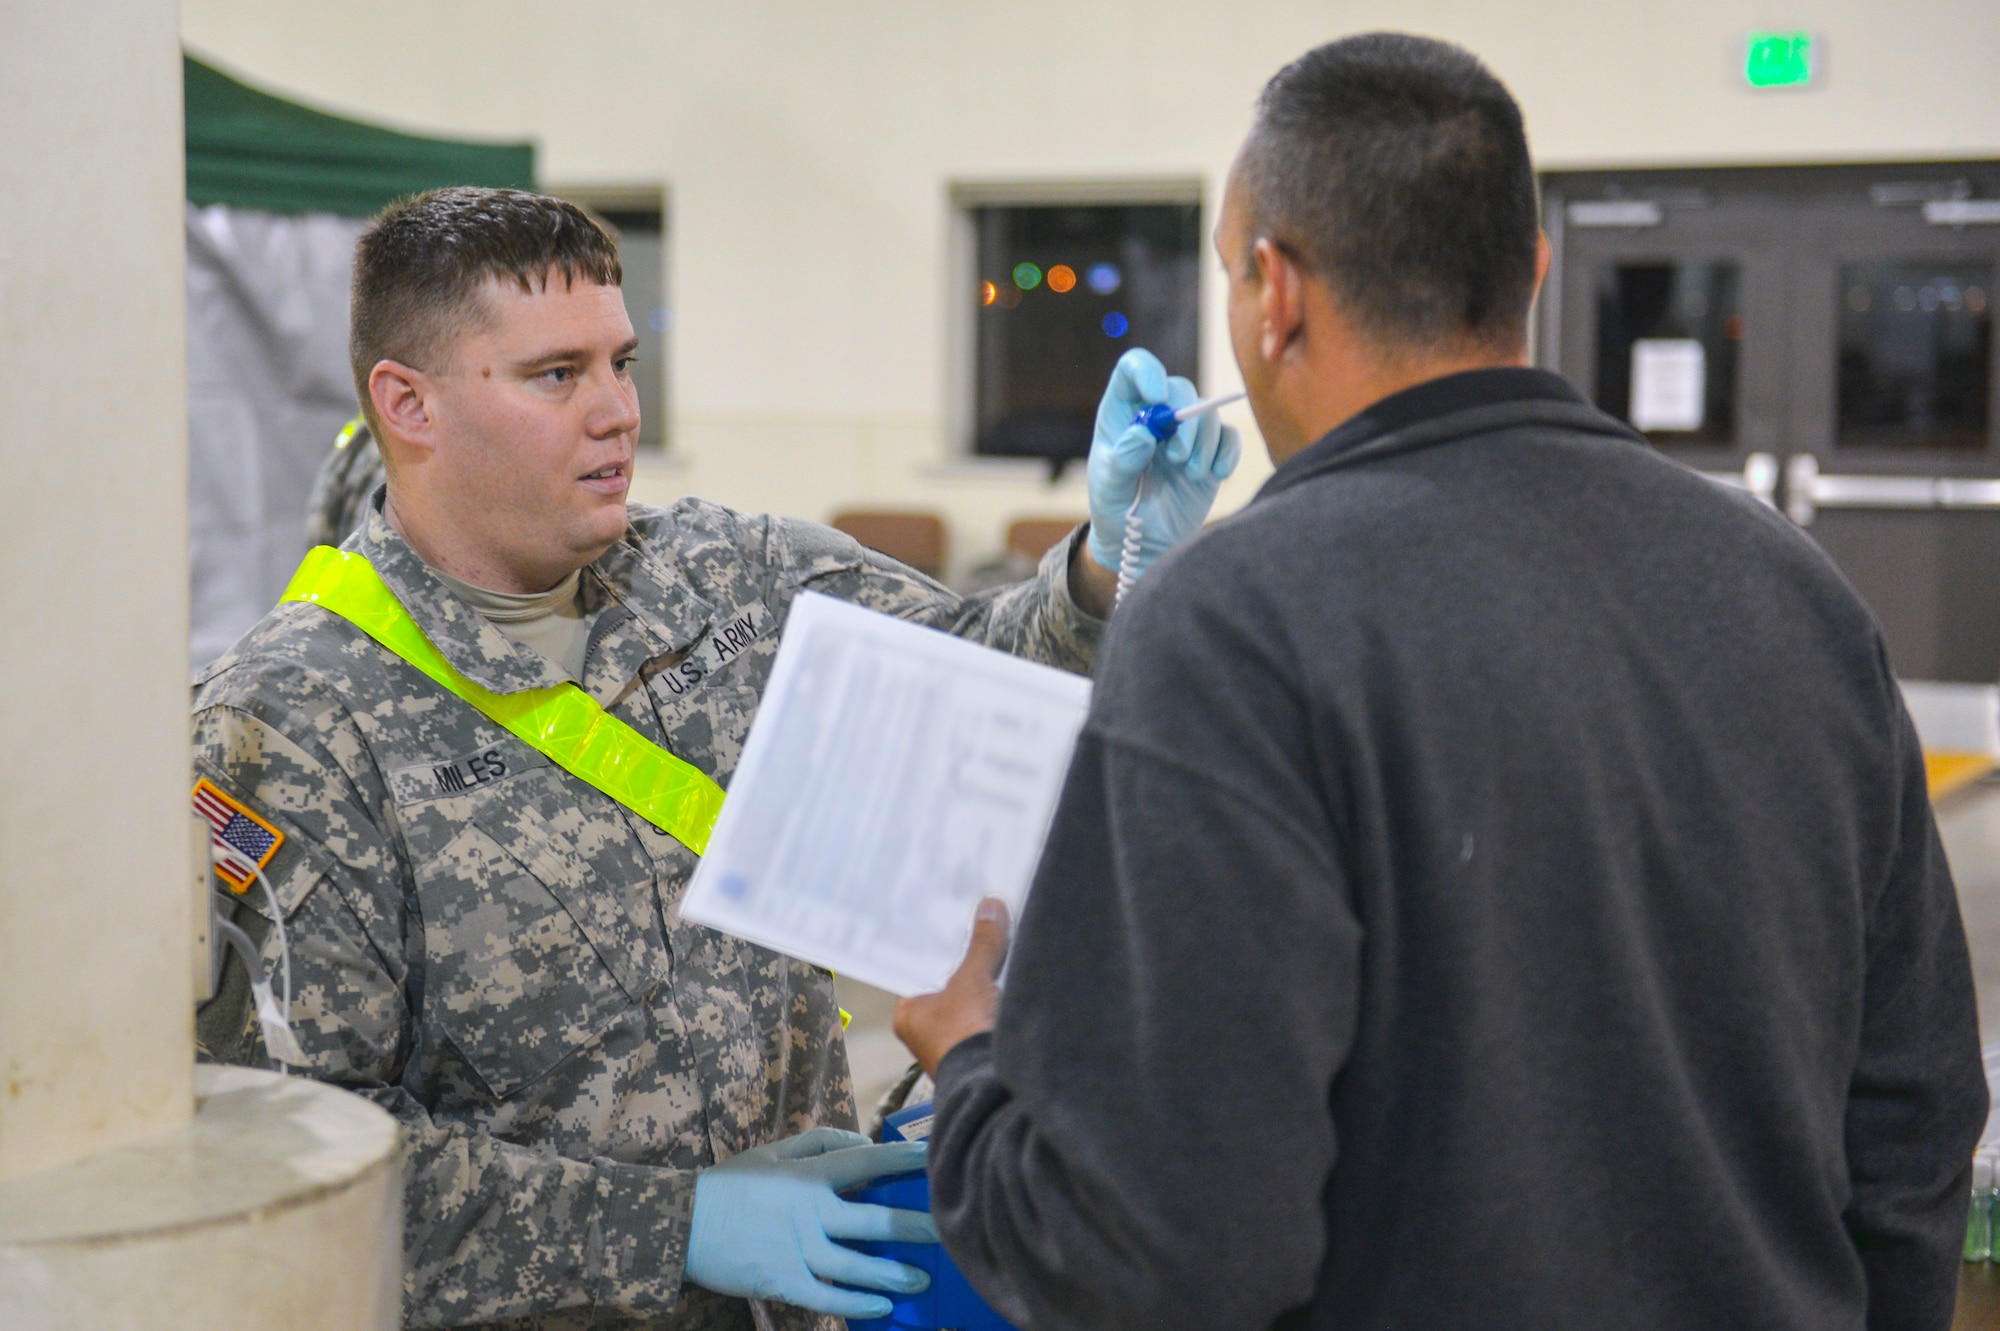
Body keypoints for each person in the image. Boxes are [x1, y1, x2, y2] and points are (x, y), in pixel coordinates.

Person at [895, 33, 1988, 1331]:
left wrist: (969, 1063)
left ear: (1275, 294)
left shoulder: (1232, 625)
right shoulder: (1794, 590)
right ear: (1528, 268)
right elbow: (1917, 1109)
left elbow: (1157, 1249)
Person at [191, 186, 1237, 1330]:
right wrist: (679, 1224)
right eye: (556, 375)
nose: (617, 412)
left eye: (621, 362)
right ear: (409, 405)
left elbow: (977, 672)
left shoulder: (728, 577)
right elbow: (300, 1166)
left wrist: (1100, 564)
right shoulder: (291, 719)